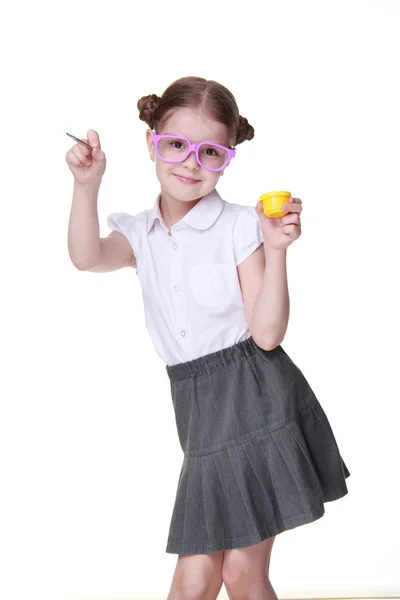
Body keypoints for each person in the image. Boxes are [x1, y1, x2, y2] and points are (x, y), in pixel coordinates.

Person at [66, 76, 350, 600]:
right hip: (197, 408)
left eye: (210, 152)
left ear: (228, 158)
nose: (190, 162)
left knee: (239, 573)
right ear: (152, 143)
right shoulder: (140, 234)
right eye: (176, 144)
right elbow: (86, 256)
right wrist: (87, 186)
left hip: (256, 399)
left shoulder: (242, 225)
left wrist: (277, 250)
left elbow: (266, 335)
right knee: (197, 576)